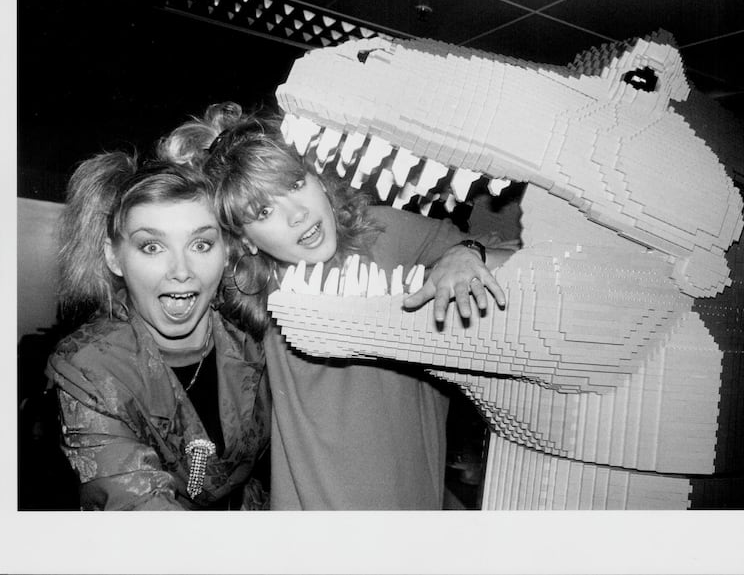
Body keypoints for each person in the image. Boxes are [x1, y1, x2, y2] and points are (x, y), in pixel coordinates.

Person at [159, 102, 514, 510]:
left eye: (294, 184)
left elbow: (508, 258)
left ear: (319, 179)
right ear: (247, 239)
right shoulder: (251, 294)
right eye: (263, 211)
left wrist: (466, 253)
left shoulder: (386, 232)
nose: (297, 215)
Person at [46, 152, 271, 510]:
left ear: (226, 252)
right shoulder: (87, 370)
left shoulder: (256, 338)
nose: (181, 270)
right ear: (114, 257)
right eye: (152, 246)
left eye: (201, 244)